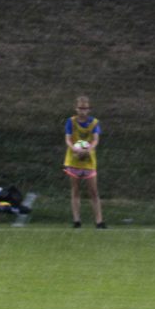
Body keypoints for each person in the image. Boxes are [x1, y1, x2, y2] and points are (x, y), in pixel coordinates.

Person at [63, 96, 105, 229]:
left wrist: (88, 149)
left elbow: (96, 140)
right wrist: (74, 148)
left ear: (89, 109)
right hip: (74, 160)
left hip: (88, 161)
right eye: (80, 108)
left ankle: (99, 221)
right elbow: (68, 139)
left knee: (93, 191)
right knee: (75, 190)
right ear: (76, 108)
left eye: (85, 108)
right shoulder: (71, 121)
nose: (82, 111)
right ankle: (77, 220)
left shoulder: (94, 123)